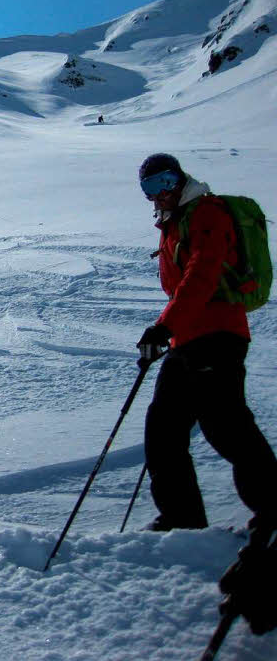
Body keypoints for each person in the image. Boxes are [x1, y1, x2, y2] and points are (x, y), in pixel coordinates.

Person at [137, 153, 277, 532]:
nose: (159, 193)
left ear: (180, 179)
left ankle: (274, 508)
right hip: (187, 339)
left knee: (227, 428)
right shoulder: (172, 225)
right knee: (163, 431)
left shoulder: (206, 212)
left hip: (218, 335)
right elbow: (181, 290)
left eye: (165, 182)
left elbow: (203, 274)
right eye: (150, 187)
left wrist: (163, 328)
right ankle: (182, 518)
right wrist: (166, 333)